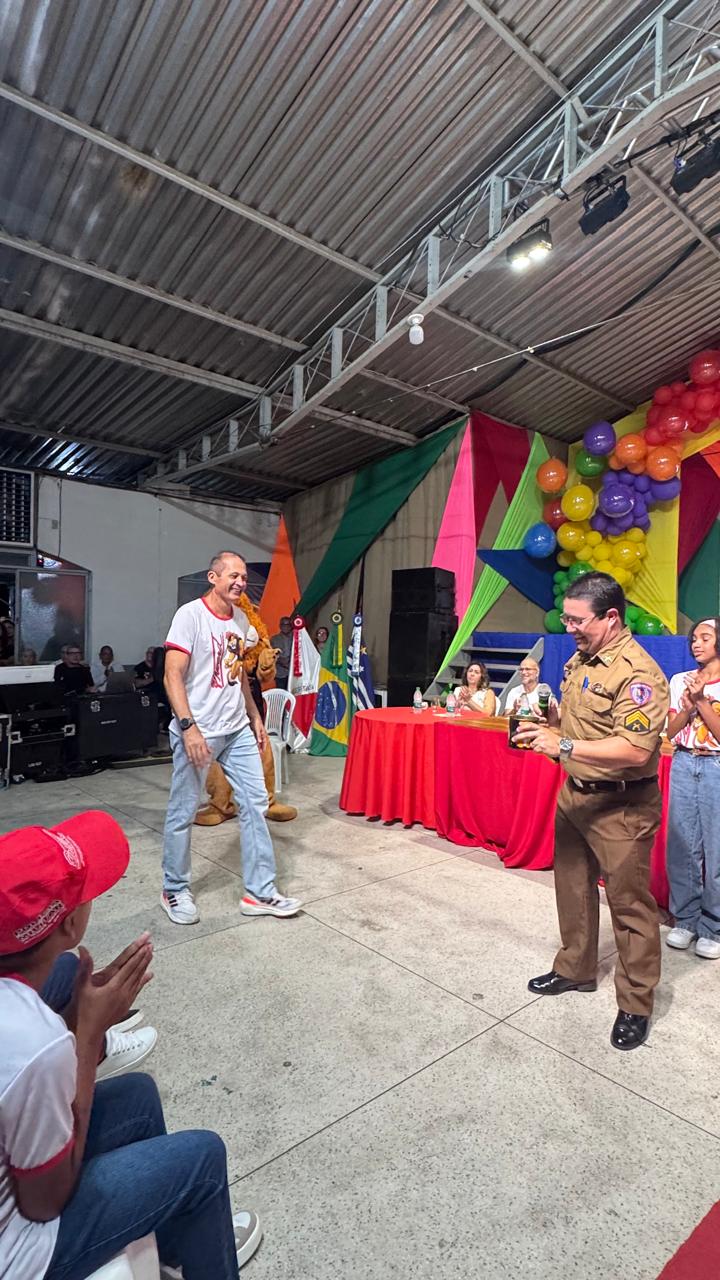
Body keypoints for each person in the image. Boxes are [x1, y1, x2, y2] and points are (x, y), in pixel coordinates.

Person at [0, 810, 262, 1279]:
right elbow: (44, 1204)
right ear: (68, 925)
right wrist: (88, 1035)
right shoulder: (31, 1039)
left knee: (137, 1096)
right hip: (20, 1251)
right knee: (203, 1158)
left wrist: (80, 1021)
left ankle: (179, 1252)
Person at [515, 572, 669, 1052]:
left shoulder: (639, 674)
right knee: (572, 888)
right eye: (566, 619)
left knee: (629, 907)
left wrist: (561, 744)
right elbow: (583, 726)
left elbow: (632, 748)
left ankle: (636, 1003)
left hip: (621, 805)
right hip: (575, 795)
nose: (569, 628)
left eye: (577, 620)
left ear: (611, 617)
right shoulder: (582, 658)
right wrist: (552, 723)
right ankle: (576, 969)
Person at [161, 551, 301, 925]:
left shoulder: (240, 620)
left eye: (243, 577)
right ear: (213, 577)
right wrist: (189, 727)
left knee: (255, 804)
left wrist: (254, 717)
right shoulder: (190, 616)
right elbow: (172, 675)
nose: (240, 582)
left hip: (236, 729)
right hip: (200, 731)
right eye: (233, 576)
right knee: (182, 812)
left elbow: (236, 675)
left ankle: (260, 892)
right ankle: (174, 889)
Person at [665, 617, 720, 958]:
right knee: (682, 845)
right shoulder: (679, 680)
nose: (696, 643)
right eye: (694, 638)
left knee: (716, 849)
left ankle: (713, 926)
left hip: (716, 765)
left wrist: (701, 702)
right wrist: (686, 709)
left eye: (705, 637)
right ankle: (686, 919)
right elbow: (670, 733)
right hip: (684, 762)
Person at [270, 616, 293, 689]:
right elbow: (271, 655)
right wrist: (281, 661)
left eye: (288, 624)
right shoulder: (274, 639)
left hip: (294, 673)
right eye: (283, 624)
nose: (286, 627)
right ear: (280, 626)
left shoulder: (296, 638)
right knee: (281, 693)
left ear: (291, 626)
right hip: (280, 673)